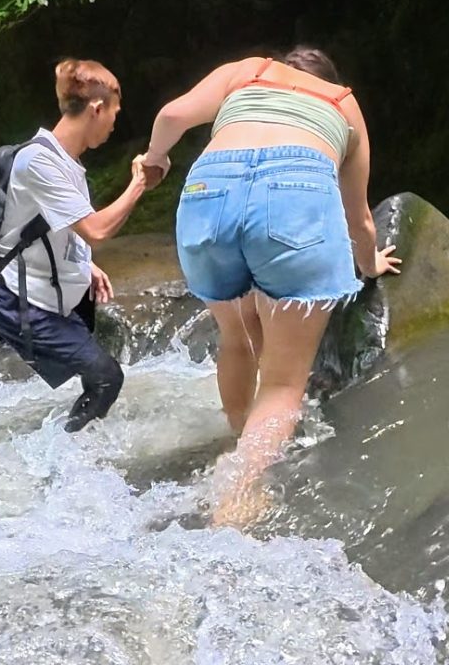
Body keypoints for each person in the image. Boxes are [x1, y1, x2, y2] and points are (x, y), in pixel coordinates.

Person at [137, 46, 401, 523]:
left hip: (208, 191)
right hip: (294, 192)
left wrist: (155, 160)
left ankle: (241, 444)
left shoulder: (246, 72)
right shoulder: (341, 102)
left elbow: (173, 114)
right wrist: (370, 266)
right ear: (327, 78)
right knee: (282, 383)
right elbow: (358, 217)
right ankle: (237, 495)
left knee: (237, 340)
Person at [0, 59, 148, 432]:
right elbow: (96, 229)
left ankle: (72, 441)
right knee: (107, 377)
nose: (113, 125)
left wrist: (84, 265)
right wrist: (139, 184)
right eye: (114, 115)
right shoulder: (39, 161)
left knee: (98, 376)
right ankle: (64, 452)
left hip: (43, 292)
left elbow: (48, 226)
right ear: (97, 109)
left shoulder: (65, 162)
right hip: (17, 300)